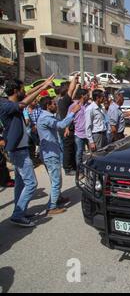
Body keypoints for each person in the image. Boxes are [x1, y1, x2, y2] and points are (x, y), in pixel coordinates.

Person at [0, 75, 55, 227]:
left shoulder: (12, 101)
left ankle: (20, 211)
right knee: (31, 183)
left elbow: (26, 96)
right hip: (18, 151)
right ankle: (18, 215)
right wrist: (43, 88)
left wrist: (43, 84)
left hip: (20, 148)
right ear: (16, 91)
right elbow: (23, 104)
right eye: (22, 89)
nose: (25, 91)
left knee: (20, 183)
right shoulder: (5, 104)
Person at [37, 97, 80, 215]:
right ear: (48, 106)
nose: (56, 106)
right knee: (56, 180)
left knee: (55, 178)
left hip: (49, 152)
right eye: (54, 104)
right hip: (50, 154)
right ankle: (52, 207)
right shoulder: (46, 118)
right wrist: (73, 112)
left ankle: (58, 197)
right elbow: (60, 125)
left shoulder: (45, 115)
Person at [57, 76, 79, 176]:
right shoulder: (65, 100)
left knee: (70, 148)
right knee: (68, 149)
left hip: (65, 127)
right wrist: (74, 79)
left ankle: (72, 166)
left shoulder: (61, 100)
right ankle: (67, 168)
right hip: (66, 128)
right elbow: (71, 89)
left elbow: (72, 93)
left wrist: (76, 85)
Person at [67, 88, 89, 167]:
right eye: (87, 94)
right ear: (82, 96)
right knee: (79, 153)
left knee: (91, 153)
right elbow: (68, 118)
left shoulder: (89, 106)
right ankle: (79, 171)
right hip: (78, 134)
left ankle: (90, 170)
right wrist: (67, 129)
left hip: (88, 133)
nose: (89, 96)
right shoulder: (73, 106)